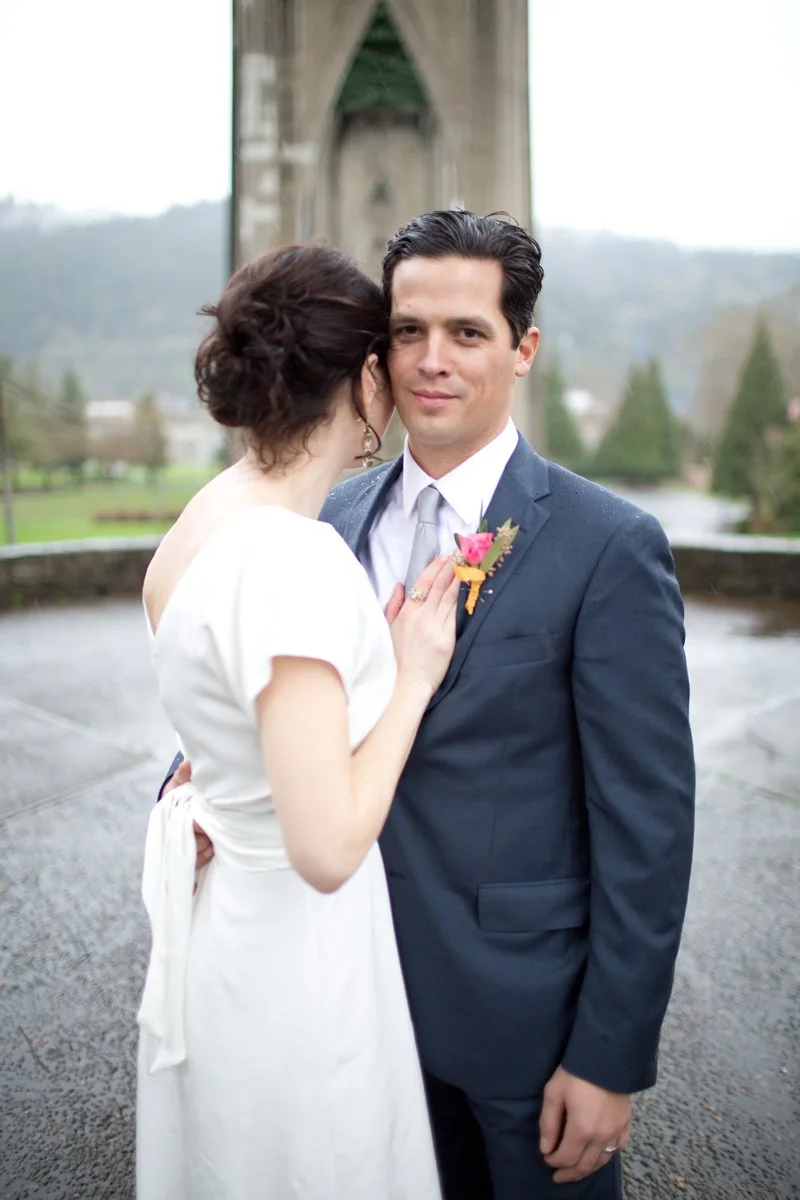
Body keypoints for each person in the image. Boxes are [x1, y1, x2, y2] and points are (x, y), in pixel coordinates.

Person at [177, 210, 695, 1200]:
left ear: (522, 348)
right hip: (344, 1008)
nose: (430, 360)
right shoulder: (322, 520)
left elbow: (647, 828)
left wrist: (607, 1056)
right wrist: (208, 777)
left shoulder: (606, 547)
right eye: (407, 331)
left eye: (466, 333)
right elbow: (264, 693)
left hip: (521, 1031)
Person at [136, 242, 458, 1199]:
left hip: (223, 936)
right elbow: (325, 848)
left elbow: (223, 737)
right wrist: (412, 677)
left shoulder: (197, 527)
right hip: (298, 963)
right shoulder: (297, 561)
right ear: (365, 377)